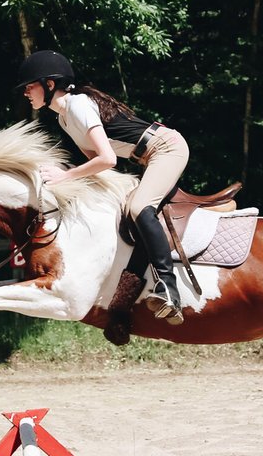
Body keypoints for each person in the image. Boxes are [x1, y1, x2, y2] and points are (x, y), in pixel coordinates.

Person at [15, 49, 188, 324]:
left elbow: (107, 159)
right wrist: (66, 176)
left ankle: (168, 287)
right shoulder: (64, 118)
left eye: (30, 86)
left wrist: (65, 176)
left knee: (139, 206)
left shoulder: (78, 106)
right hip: (147, 157)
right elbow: (96, 164)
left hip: (167, 148)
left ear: (50, 84)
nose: (26, 92)